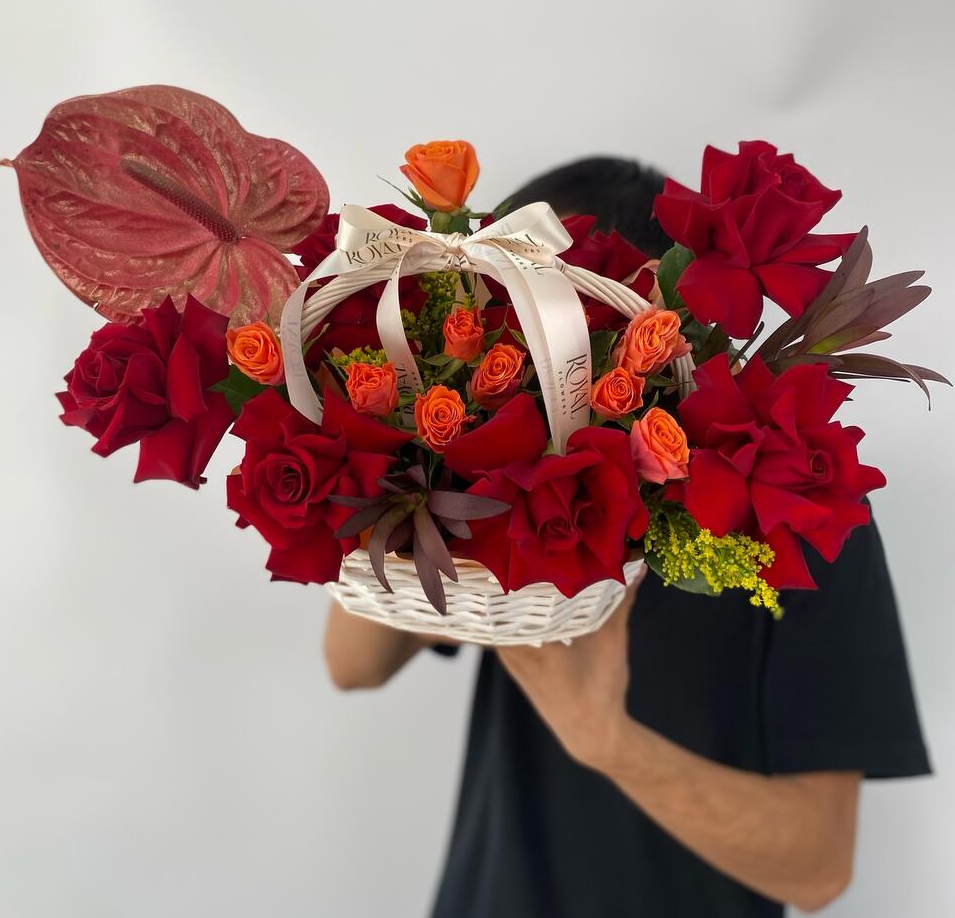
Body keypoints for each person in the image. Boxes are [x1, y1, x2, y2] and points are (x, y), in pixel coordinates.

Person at [322, 157, 931, 917]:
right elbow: (353, 664)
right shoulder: (486, 476)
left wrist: (609, 744)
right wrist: (412, 457)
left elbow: (818, 868)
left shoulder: (801, 500)